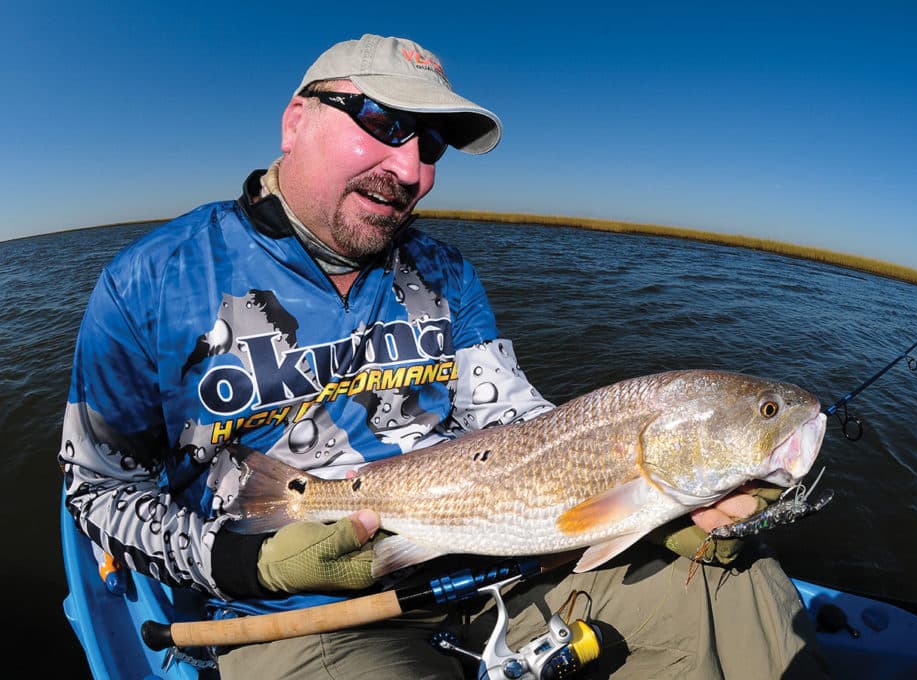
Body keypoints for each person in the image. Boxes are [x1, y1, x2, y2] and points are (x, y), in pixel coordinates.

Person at [59, 33, 829, 679]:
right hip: (299, 612)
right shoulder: (149, 284)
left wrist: (651, 490)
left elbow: (516, 420)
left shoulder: (444, 273)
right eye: (382, 121)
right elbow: (94, 495)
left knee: (739, 587)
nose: (411, 170)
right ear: (295, 119)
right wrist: (250, 566)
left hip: (496, 552)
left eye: (429, 145)